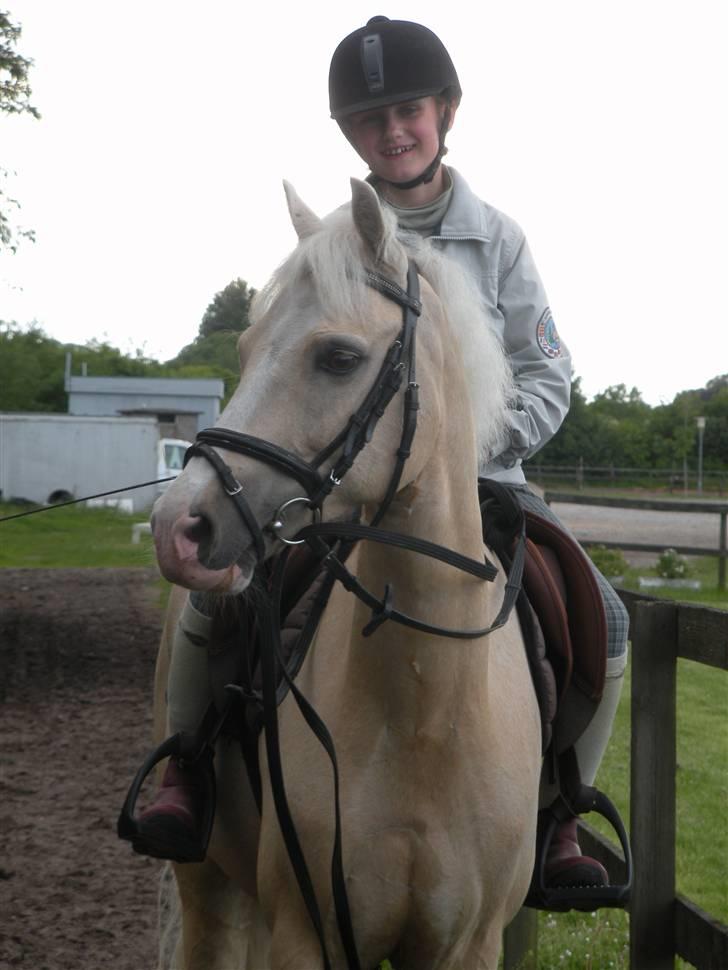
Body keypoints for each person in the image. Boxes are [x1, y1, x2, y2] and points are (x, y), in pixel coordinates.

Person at [136, 16, 629, 893]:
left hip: (484, 481)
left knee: (605, 615)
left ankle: (558, 812)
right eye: (371, 120)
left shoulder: (500, 239)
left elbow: (547, 374)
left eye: (408, 111)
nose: (393, 131)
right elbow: (293, 364)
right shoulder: (330, 238)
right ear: (350, 136)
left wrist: (462, 447)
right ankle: (192, 768)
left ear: (444, 112)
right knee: (220, 598)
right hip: (344, 480)